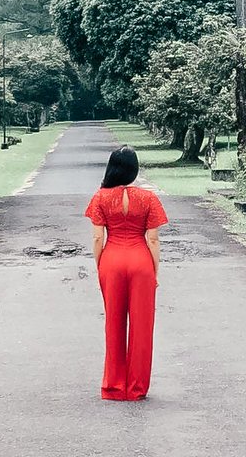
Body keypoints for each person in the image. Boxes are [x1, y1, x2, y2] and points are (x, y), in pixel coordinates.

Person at [84, 145, 168, 401]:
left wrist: (100, 265)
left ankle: (113, 386)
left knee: (114, 323)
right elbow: (152, 239)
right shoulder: (149, 198)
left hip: (112, 259)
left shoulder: (100, 197)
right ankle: (136, 388)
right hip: (140, 259)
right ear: (134, 169)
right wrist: (154, 271)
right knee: (143, 326)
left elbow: (98, 238)